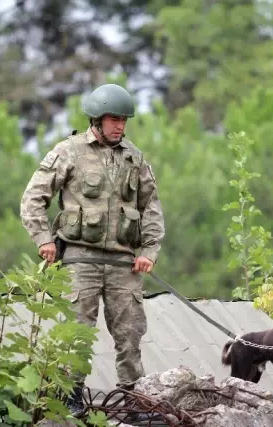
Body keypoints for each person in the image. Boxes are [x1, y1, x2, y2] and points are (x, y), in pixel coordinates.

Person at [20, 83, 166, 416]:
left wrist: (149, 251)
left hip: (123, 264)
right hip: (79, 260)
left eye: (124, 120)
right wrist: (43, 238)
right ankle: (69, 399)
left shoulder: (134, 157)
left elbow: (152, 209)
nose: (120, 126)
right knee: (76, 335)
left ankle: (135, 399)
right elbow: (32, 198)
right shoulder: (69, 151)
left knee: (130, 335)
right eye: (115, 119)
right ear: (97, 119)